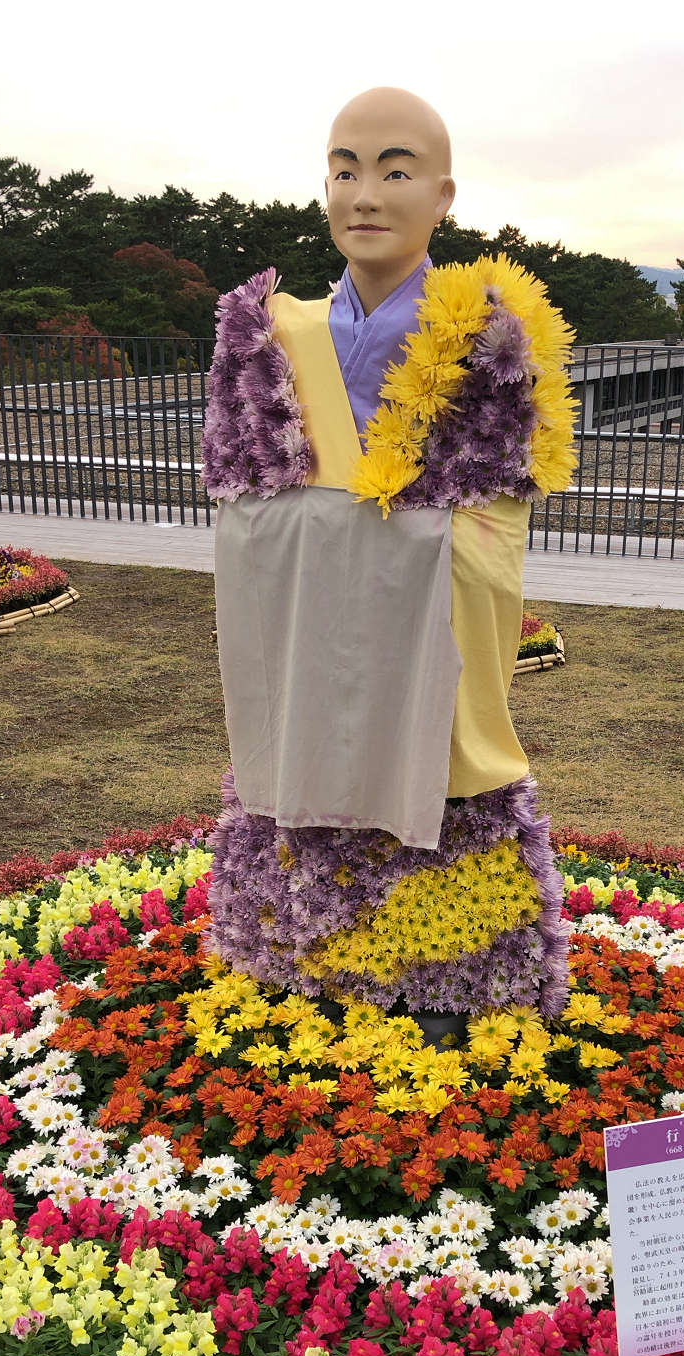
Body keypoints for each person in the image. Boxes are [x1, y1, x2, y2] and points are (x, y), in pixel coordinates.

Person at [200, 87, 577, 1029]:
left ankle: (447, 971)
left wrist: (365, 531)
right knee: (301, 740)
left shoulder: (488, 337)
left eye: (395, 170)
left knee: (441, 752)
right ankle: (310, 953)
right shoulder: (274, 335)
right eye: (345, 168)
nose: (364, 192)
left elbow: (488, 522)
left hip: (427, 628)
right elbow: (247, 502)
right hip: (309, 623)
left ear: (443, 196)